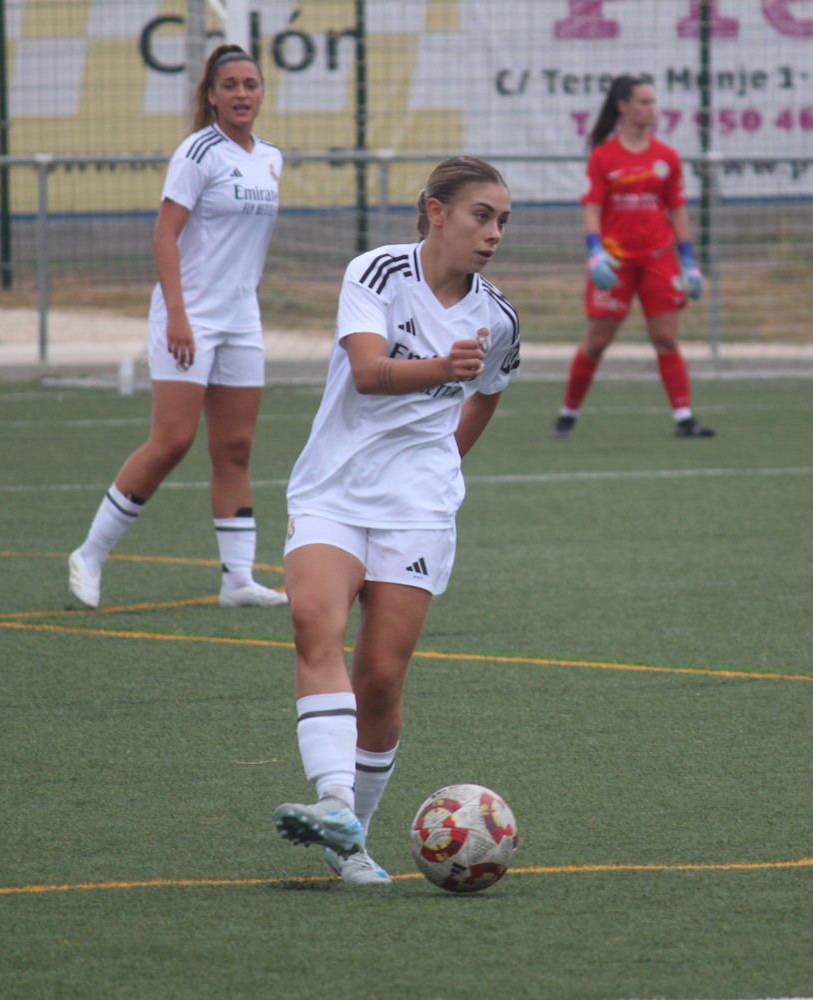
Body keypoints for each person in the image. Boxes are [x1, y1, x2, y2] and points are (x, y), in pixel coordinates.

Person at [272, 157, 520, 884]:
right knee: (314, 621)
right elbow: (369, 372)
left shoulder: (498, 317)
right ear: (435, 211)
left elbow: (491, 390)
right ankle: (337, 811)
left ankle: (352, 837)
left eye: (503, 220)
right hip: (335, 488)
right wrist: (445, 367)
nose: (494, 232)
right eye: (482, 215)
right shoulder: (377, 273)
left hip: (418, 505)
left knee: (379, 678)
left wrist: (443, 465)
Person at [68, 45, 287, 608]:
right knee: (172, 441)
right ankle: (90, 554)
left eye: (251, 84)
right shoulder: (197, 152)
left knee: (235, 448)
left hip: (242, 320)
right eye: (231, 85)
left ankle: (238, 579)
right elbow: (164, 236)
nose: (242, 94)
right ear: (211, 95)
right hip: (186, 316)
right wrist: (180, 315)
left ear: (263, 93)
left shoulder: (270, 158)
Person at [553, 75, 713, 440]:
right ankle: (567, 414)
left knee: (666, 338)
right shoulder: (603, 156)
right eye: (643, 101)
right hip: (615, 261)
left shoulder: (667, 157)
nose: (650, 109)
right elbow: (592, 207)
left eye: (653, 101)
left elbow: (677, 210)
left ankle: (684, 418)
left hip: (659, 258)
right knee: (596, 342)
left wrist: (689, 261)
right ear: (622, 106)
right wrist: (595, 253)